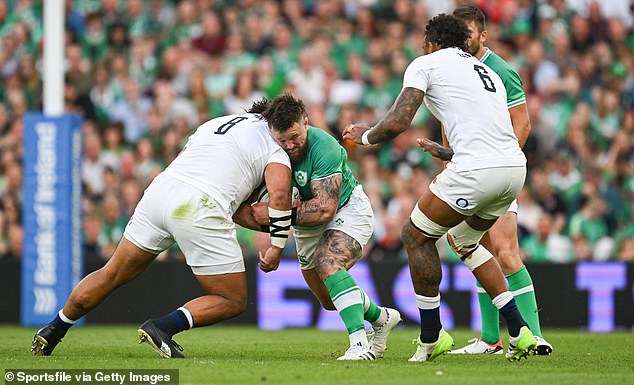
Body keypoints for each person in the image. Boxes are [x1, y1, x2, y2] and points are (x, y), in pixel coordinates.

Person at [343, 14, 537, 362]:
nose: (422, 49)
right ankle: (519, 330)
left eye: (423, 44)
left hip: (476, 171)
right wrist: (448, 151)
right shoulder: (487, 71)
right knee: (464, 241)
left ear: (432, 43)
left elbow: (400, 119)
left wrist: (366, 136)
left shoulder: (426, 64)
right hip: (513, 170)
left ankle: (432, 336)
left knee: (416, 236)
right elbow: (489, 130)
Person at [31, 107, 294, 358]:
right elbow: (279, 196)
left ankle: (55, 326)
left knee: (111, 273)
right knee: (233, 299)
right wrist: (277, 245)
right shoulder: (276, 148)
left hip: (161, 190)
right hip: (198, 204)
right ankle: (163, 327)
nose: (293, 143)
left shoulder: (218, 123)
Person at [417, 5, 552, 356]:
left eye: (468, 34)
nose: (462, 40)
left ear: (483, 35)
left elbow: (521, 124)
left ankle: (534, 335)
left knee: (506, 252)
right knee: (475, 248)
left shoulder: (500, 71)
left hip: (494, 170)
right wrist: (452, 163)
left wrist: (490, 162)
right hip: (467, 172)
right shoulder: (453, 66)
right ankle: (490, 339)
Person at [241, 93, 401, 361]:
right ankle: (381, 317)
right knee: (329, 299)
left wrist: (275, 215)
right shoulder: (267, 149)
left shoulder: (324, 146)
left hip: (347, 210)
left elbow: (325, 208)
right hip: (305, 224)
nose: (290, 145)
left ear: (305, 122)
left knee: (329, 262)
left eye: (295, 136)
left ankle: (359, 346)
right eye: (283, 140)